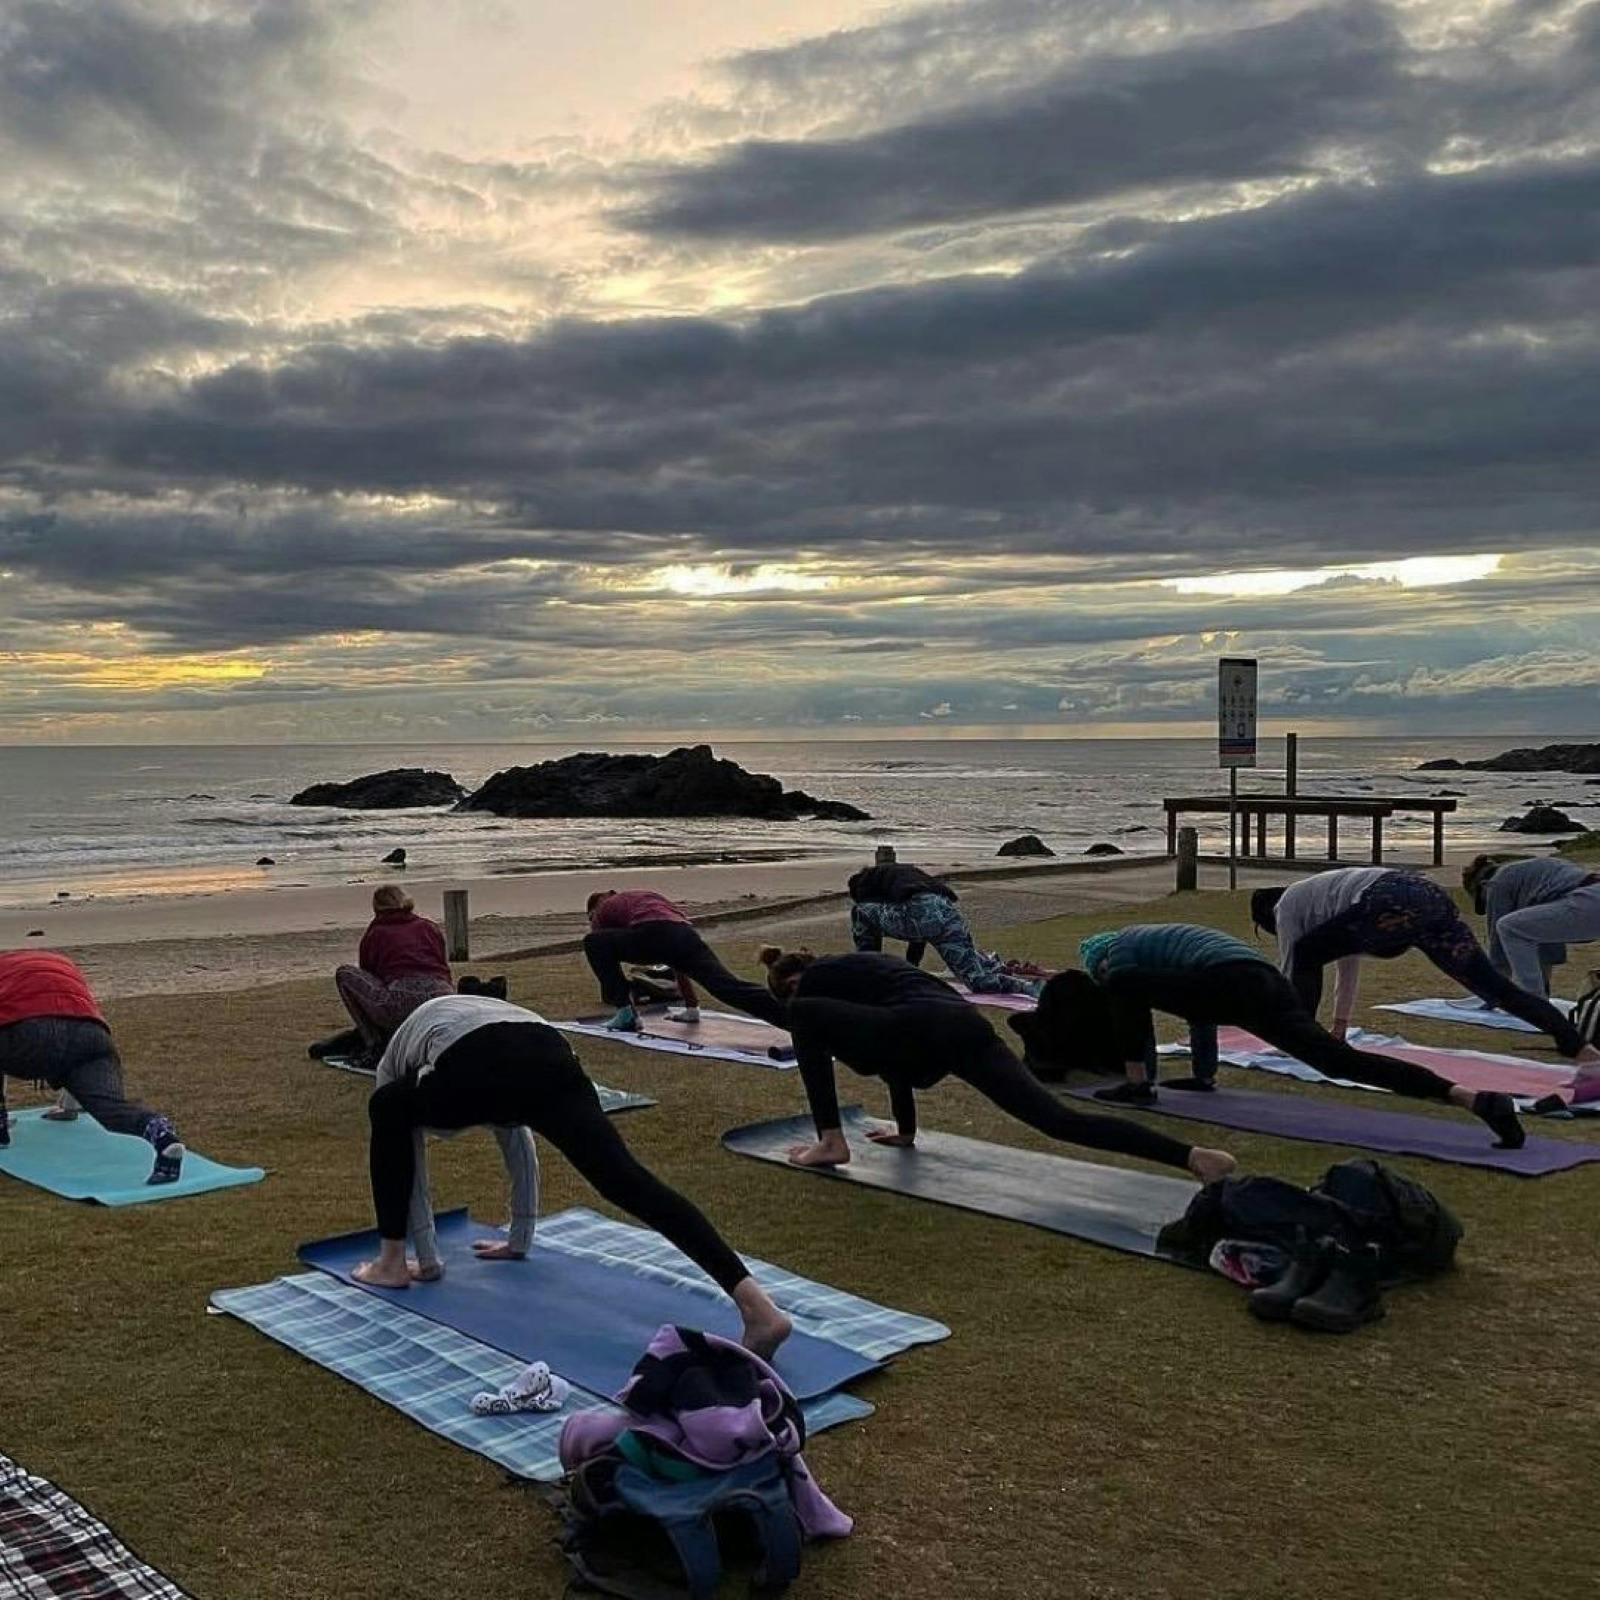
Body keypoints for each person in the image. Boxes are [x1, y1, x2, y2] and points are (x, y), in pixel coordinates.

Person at [354, 992, 793, 1357]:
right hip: (552, 1051)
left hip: (485, 1050)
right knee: (627, 1180)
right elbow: (514, 1130)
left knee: (386, 1108)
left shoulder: (397, 1063)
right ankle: (759, 1309)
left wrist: (420, 1262)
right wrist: (517, 1239)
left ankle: (390, 1263)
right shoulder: (453, 1027)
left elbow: (404, 1158)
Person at [755, 945, 1236, 1181]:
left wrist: (800, 1005)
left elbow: (887, 1042)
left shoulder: (822, 978)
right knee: (1057, 1120)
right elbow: (892, 1058)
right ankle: (1196, 1158)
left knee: (803, 1018)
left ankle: (830, 1140)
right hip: (963, 1028)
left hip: (931, 1028)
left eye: (794, 986)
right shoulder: (873, 978)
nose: (800, 996)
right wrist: (905, 1129)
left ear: (802, 971)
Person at [1074, 922, 1526, 1146]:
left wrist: (1138, 1072)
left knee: (1122, 986)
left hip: (1232, 982)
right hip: (1265, 983)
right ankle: (1474, 1099)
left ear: (1100, 954)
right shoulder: (1171, 947)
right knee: (1338, 1060)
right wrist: (1202, 1075)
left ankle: (1137, 1087)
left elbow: (1128, 991)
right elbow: (1199, 1008)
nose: (1103, 974)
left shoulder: (1120, 949)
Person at [1250, 870, 1600, 1072]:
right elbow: (1348, 963)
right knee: (1492, 985)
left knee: (1305, 951)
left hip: (1389, 900)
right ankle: (1578, 1046)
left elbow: (1291, 967)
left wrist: (1290, 1032)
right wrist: (1339, 1026)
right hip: (1429, 899)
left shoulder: (1287, 906)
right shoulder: (1329, 905)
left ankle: (1308, 1047)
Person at [0, 950, 184, 1183]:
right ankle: (163, 1137)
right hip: (91, 1034)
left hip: (28, 1031)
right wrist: (69, 1108)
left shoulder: (7, 973)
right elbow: (67, 1023)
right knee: (110, 1106)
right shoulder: (59, 963)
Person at [583, 889, 787, 1030]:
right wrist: (691, 1007)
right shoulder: (642, 898)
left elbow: (600, 952)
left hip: (653, 933)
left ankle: (626, 1015)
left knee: (592, 942)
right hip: (684, 931)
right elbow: (675, 958)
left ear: (596, 907)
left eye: (591, 917)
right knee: (727, 986)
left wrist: (617, 998)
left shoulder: (604, 907)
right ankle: (792, 1017)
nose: (593, 920)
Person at [846, 861, 1042, 995]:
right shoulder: (900, 875)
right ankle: (1026, 987)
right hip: (948, 913)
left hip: (921, 912)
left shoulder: (865, 883)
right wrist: (912, 968)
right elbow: (919, 935)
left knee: (860, 911)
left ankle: (869, 970)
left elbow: (910, 923)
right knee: (976, 981)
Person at [325, 886, 455, 1066]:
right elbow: (442, 965)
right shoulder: (429, 927)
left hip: (401, 1000)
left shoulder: (376, 932)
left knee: (345, 974)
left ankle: (374, 1043)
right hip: (443, 999)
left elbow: (369, 973)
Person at [1463, 854, 1600, 1000]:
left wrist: (1491, 992)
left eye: (1482, 901)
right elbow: (1546, 945)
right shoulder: (1533, 872)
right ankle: (1538, 998)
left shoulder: (1496, 883)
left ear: (1482, 885)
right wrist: (1544, 987)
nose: (1488, 905)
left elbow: (1498, 949)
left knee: (1508, 927)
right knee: (1521, 930)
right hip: (1592, 896)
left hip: (1588, 903)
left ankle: (1533, 1002)